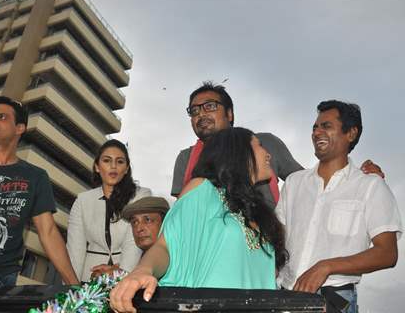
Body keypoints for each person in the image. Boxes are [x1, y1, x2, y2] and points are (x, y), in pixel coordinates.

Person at [110, 127, 288, 313]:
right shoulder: (204, 189)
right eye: (259, 146)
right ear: (238, 151)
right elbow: (167, 246)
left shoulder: (262, 216)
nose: (268, 153)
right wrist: (143, 270)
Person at [171, 82, 384, 208]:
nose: (201, 114)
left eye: (209, 106)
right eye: (194, 110)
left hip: (268, 254)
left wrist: (358, 179)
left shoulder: (265, 145)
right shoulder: (185, 159)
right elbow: (181, 215)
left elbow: (314, 185)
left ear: (230, 114)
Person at [276, 100, 402, 313]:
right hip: (283, 297)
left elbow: (387, 254)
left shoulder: (370, 185)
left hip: (334, 302)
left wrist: (326, 266)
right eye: (314, 127)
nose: (317, 132)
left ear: (351, 133)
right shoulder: (294, 183)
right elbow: (275, 241)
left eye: (326, 126)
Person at [0, 96, 79, 286]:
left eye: (1, 117)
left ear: (19, 128)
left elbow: (47, 232)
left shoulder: (35, 177)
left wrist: (74, 286)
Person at [66, 139, 151, 282]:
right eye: (107, 161)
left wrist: (121, 276)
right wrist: (72, 289)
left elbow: (133, 244)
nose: (113, 166)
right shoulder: (82, 200)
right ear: (97, 167)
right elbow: (75, 249)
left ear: (126, 169)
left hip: (128, 279)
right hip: (90, 280)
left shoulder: (141, 196)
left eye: (119, 162)